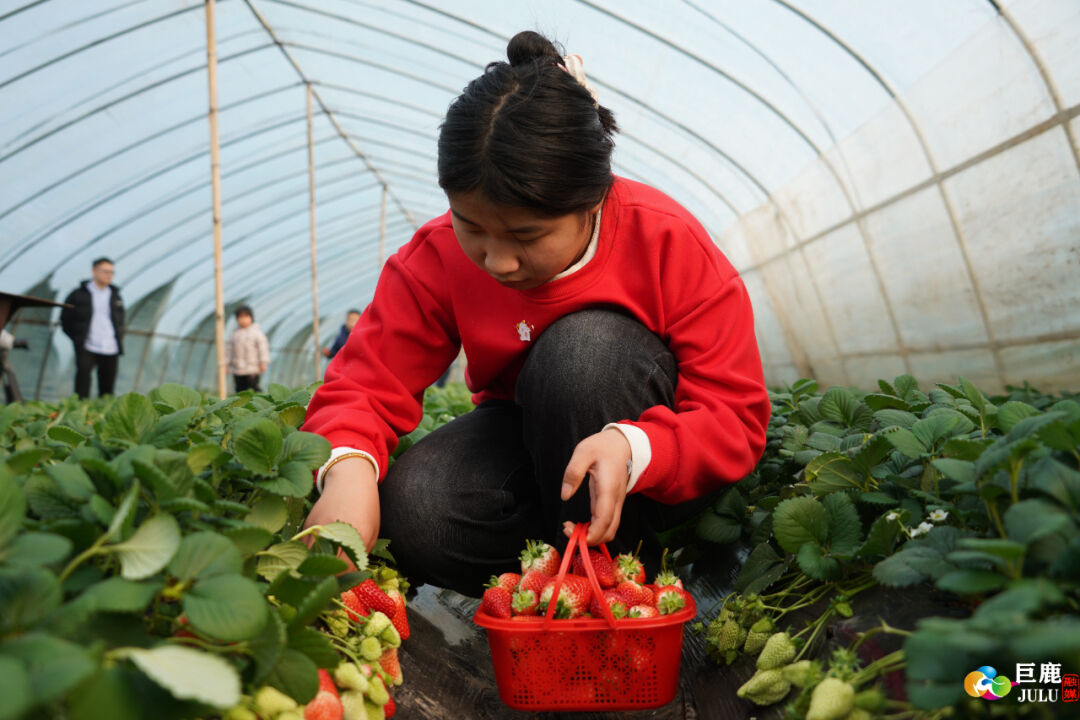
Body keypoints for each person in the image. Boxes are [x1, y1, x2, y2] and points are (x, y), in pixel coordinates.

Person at [301, 31, 771, 596]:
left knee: (583, 354)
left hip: (650, 464)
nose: (496, 260)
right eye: (470, 226)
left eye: (526, 235)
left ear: (593, 200)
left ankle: (618, 581)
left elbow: (734, 418)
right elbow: (365, 383)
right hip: (528, 436)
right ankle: (554, 577)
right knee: (415, 511)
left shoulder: (667, 241)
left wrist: (634, 448)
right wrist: (347, 471)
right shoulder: (437, 255)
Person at [61, 257, 125, 399]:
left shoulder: (115, 295)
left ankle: (103, 412)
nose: (109, 275)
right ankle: (80, 410)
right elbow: (65, 319)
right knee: (83, 381)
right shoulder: (78, 294)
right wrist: (78, 338)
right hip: (87, 345)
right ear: (94, 271)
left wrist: (119, 336)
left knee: (107, 386)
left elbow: (120, 320)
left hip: (111, 346)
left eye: (112, 272)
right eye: (106, 271)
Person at [226, 305, 269, 392]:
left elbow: (263, 348)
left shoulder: (256, 332)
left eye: (246, 317)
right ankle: (242, 405)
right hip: (238, 368)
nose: (243, 320)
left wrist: (263, 362)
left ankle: (260, 402)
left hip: (252, 367)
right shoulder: (235, 334)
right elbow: (229, 350)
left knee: (253, 387)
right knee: (240, 389)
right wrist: (226, 364)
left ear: (251, 318)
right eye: (240, 317)